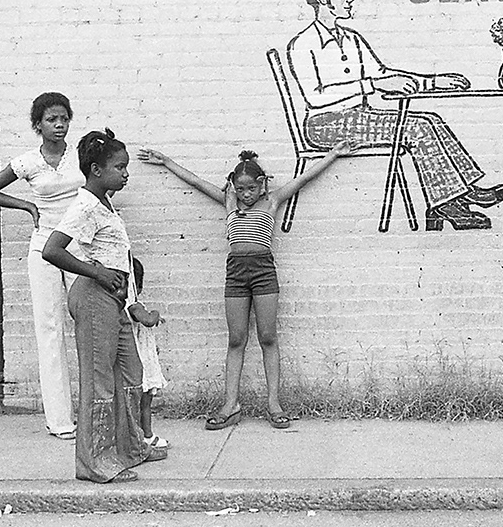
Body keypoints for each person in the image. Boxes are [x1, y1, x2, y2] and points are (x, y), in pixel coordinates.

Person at [137, 142, 353, 429]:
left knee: (268, 337)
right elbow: (197, 182)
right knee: (236, 339)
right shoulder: (229, 202)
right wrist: (166, 161)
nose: (246, 194)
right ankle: (231, 404)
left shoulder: (272, 201)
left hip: (263, 271)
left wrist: (332, 155)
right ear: (233, 186)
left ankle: (274, 404)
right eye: (241, 189)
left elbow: (304, 178)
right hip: (236, 273)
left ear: (262, 184)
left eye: (251, 188)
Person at [286, 0, 503, 231]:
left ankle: (463, 192)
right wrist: (372, 85)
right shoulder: (303, 44)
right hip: (324, 125)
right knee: (417, 127)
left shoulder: (352, 39)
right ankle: (448, 204)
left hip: (359, 118)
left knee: (431, 119)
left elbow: (383, 73)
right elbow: (315, 97)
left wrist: (432, 82)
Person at [42, 128, 166, 483]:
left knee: (131, 375)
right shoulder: (84, 206)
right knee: (100, 382)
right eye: (119, 167)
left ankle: (130, 448)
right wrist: (96, 272)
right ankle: (95, 464)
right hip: (94, 298)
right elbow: (52, 250)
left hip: (117, 301)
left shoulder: (104, 204)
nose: (126, 174)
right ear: (96, 170)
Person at [0, 92, 80, 440]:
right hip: (44, 248)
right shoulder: (27, 162)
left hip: (79, 247)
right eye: (52, 120)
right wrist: (26, 206)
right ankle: (60, 420)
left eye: (64, 118)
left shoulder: (80, 156)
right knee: (49, 330)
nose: (59, 125)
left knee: (88, 323)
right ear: (38, 125)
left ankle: (96, 410)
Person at [127, 256, 169, 450]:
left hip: (143, 360)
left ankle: (140, 436)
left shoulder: (126, 306)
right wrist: (156, 313)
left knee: (140, 404)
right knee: (144, 404)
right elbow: (148, 320)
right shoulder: (134, 306)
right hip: (141, 366)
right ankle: (146, 436)